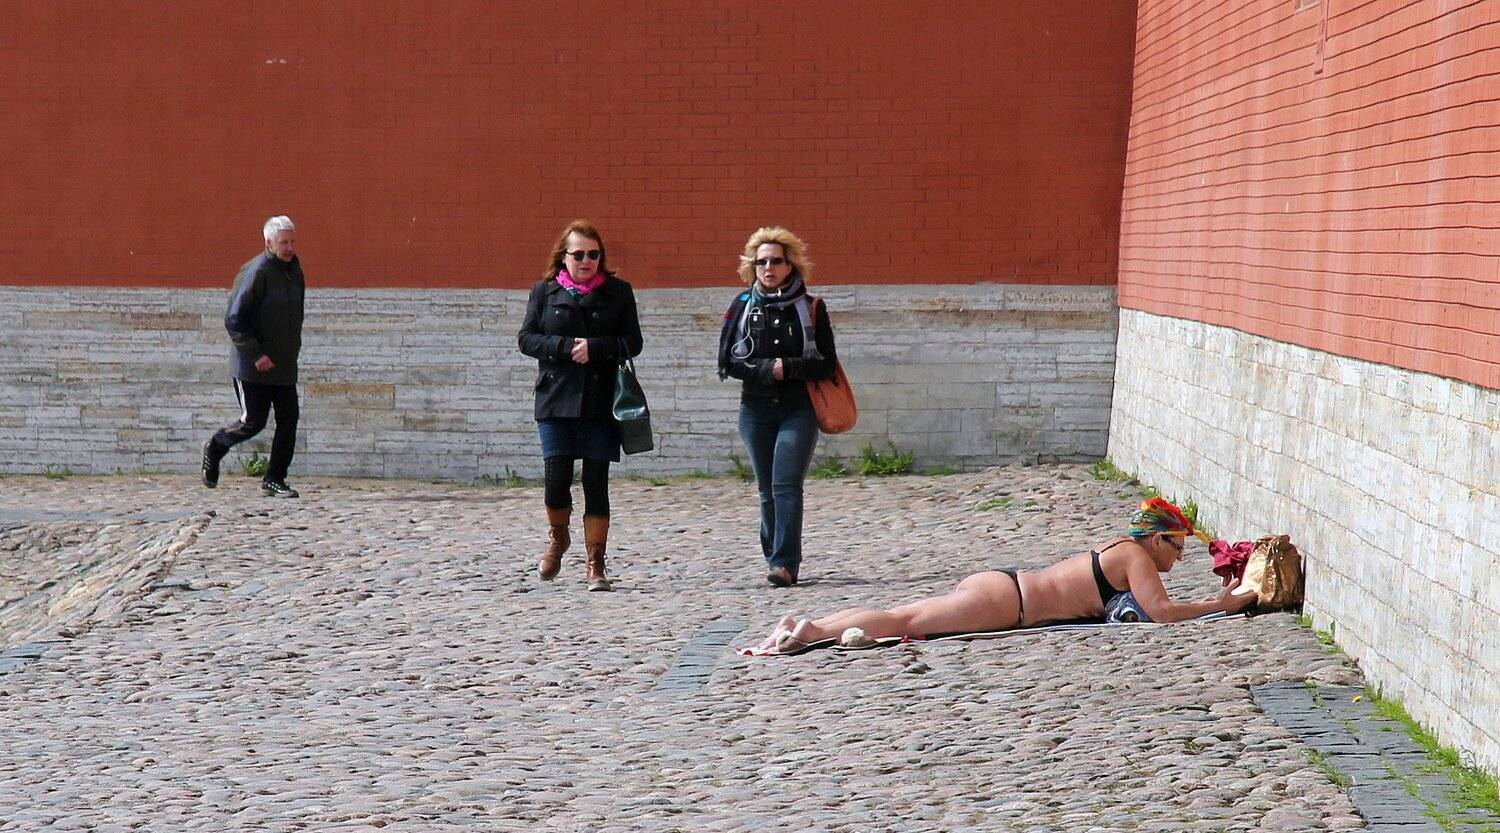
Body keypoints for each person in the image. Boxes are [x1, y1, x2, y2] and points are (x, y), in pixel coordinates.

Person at [751, 498, 1256, 653]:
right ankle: (812, 629)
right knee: (905, 620)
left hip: (1007, 589)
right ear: (1157, 539)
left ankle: (813, 626)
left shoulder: (1123, 551)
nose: (1179, 557)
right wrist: (1221, 605)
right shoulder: (1136, 557)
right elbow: (1162, 612)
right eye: (1178, 546)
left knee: (904, 614)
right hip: (1008, 602)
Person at [518, 220, 643, 591]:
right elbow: (526, 339)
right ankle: (558, 537)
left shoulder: (618, 292)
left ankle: (596, 562)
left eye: (593, 254)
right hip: (555, 399)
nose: (586, 261)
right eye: (578, 255)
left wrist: (597, 348)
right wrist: (564, 347)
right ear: (564, 257)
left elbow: (633, 342)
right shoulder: (544, 291)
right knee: (556, 480)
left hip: (601, 401)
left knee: (595, 483)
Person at [717, 227, 839, 588]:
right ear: (752, 267)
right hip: (754, 408)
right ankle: (774, 556)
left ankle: (785, 563)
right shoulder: (742, 306)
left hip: (797, 407)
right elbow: (727, 362)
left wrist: (789, 367)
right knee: (766, 488)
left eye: (775, 261)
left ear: (790, 265)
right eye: (761, 262)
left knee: (785, 485)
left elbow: (826, 363)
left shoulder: (811, 307)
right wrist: (765, 370)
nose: (768, 268)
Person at [200, 215, 306, 498]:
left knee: (289, 419)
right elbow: (234, 319)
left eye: (292, 242)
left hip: (283, 366)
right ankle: (216, 446)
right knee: (253, 422)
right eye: (283, 243)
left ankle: (274, 479)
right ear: (268, 243)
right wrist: (256, 354)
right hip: (252, 366)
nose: (289, 248)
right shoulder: (256, 272)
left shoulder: (295, 271)